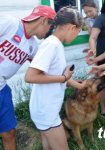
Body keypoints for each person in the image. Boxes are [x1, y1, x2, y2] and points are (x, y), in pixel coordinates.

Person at [25, 7, 84, 150]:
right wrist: (63, 78)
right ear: (72, 27)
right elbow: (30, 76)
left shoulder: (55, 44)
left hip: (45, 108)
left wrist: (81, 86)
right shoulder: (51, 44)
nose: (77, 35)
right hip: (47, 111)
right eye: (78, 32)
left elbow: (58, 76)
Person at [0, 5, 56, 150]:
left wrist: (66, 78)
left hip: (2, 90)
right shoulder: (10, 23)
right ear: (44, 20)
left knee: (9, 133)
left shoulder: (32, 46)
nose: (49, 32)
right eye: (50, 27)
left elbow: (42, 70)